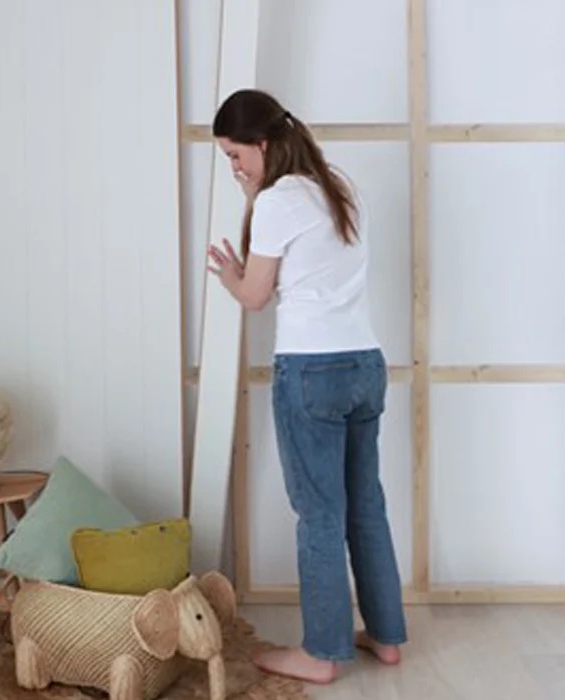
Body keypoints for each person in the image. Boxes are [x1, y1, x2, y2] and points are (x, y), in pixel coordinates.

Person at [206, 88, 407, 684]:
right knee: (364, 506)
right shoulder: (336, 187)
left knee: (318, 513)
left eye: (236, 155)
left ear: (263, 145)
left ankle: (321, 653)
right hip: (365, 365)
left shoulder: (276, 200)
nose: (235, 168)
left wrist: (229, 273)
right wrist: (252, 196)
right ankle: (388, 636)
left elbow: (255, 295)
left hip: (311, 371)